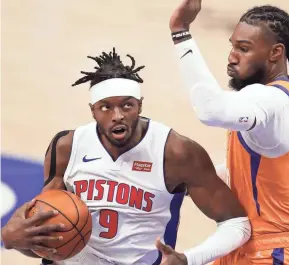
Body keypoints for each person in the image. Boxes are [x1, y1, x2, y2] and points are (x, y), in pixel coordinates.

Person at [1, 48, 251, 265]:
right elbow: (51, 235)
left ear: (140, 105)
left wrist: (189, 259)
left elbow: (237, 224)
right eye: (106, 107)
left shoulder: (176, 152)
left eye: (127, 105)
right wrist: (13, 239)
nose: (117, 115)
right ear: (93, 111)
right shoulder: (67, 146)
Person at [169, 1, 289, 264]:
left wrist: (180, 30)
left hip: (276, 251)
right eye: (233, 46)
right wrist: (179, 181)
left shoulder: (270, 101)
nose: (232, 56)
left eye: (244, 49)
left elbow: (211, 110)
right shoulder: (275, 99)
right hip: (255, 246)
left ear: (275, 53)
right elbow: (245, 176)